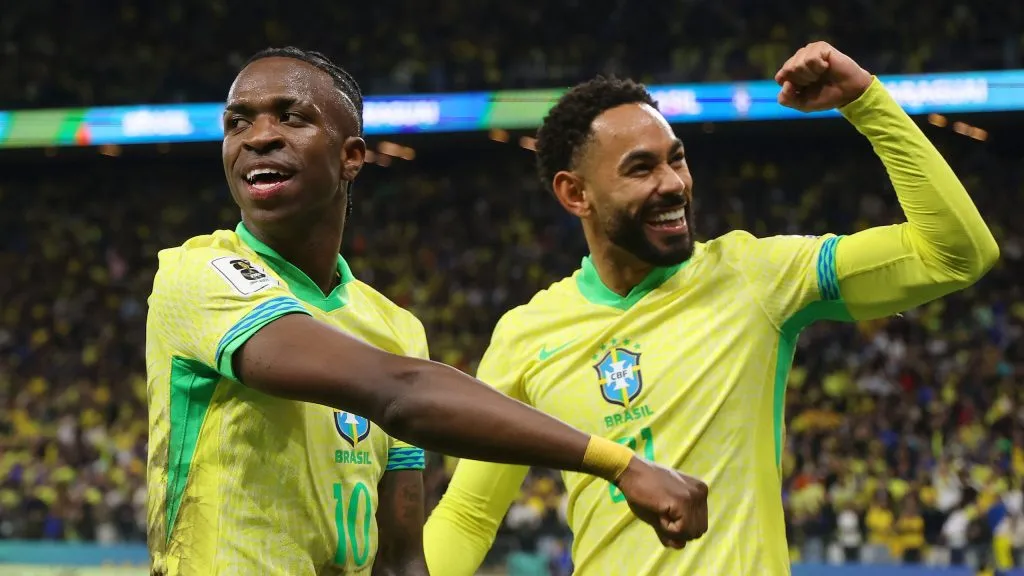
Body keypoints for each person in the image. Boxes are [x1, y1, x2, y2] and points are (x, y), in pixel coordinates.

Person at [423, 41, 999, 575]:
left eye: (677, 159)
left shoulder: (757, 277)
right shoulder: (527, 333)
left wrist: (867, 102)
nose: (673, 183)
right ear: (576, 194)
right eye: (641, 168)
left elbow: (956, 255)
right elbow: (469, 515)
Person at [145, 47, 709, 576]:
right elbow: (400, 392)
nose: (258, 137)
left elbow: (401, 561)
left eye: (291, 117)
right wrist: (620, 463)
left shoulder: (394, 327)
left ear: (352, 157)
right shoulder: (198, 274)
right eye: (237, 122)